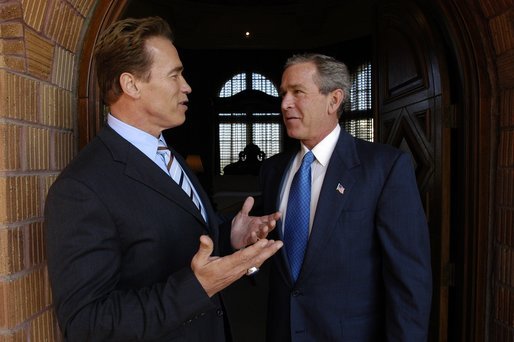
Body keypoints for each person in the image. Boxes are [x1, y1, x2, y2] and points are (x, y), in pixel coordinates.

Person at [44, 16, 283, 341]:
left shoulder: (168, 154)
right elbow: (87, 324)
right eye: (174, 75)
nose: (187, 86)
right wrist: (197, 288)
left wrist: (230, 234)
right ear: (132, 85)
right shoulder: (81, 189)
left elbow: (183, 236)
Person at [260, 53, 432, 341]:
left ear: (334, 100)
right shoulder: (272, 170)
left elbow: (409, 282)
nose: (284, 103)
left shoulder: (384, 168)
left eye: (297, 92)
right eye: (283, 93)